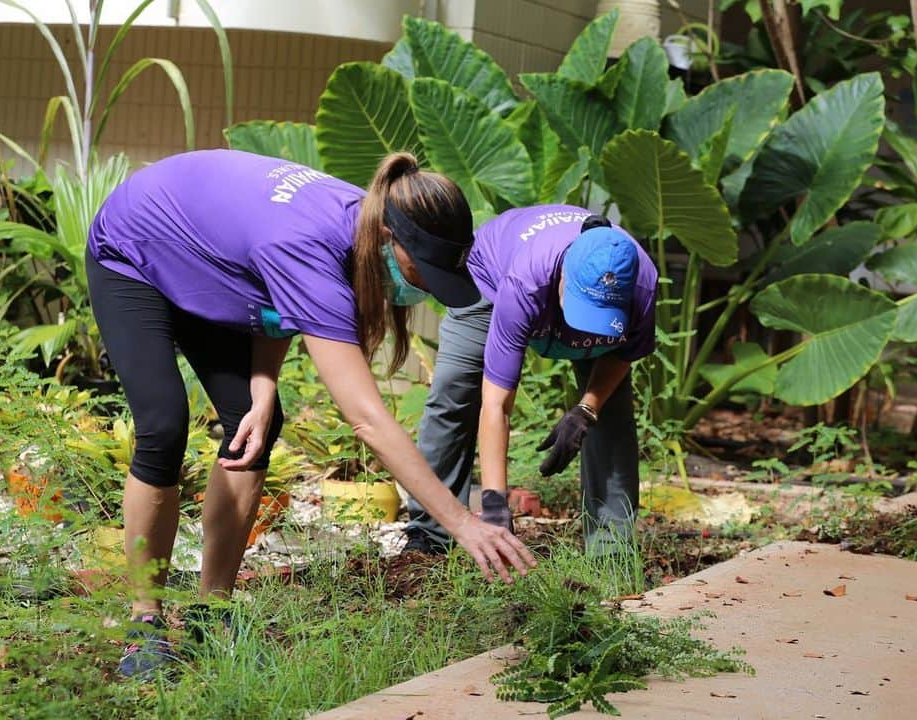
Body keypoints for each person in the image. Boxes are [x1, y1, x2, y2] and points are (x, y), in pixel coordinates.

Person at [86, 149, 536, 678]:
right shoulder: (312, 243)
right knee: (164, 425)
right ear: (393, 239)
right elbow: (366, 418)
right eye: (426, 272)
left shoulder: (362, 222)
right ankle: (146, 622)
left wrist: (263, 386)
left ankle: (213, 611)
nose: (426, 288)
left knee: (255, 425)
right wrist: (462, 522)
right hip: (135, 247)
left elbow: (276, 301)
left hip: (209, 260)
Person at [403, 205, 657, 556]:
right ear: (565, 276)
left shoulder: (641, 284)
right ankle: (429, 537)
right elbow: (497, 404)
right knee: (454, 391)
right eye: (585, 309)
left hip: (575, 300)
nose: (586, 325)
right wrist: (495, 503)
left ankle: (611, 551)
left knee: (610, 413)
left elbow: (623, 354)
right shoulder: (526, 281)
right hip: (493, 284)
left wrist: (587, 409)